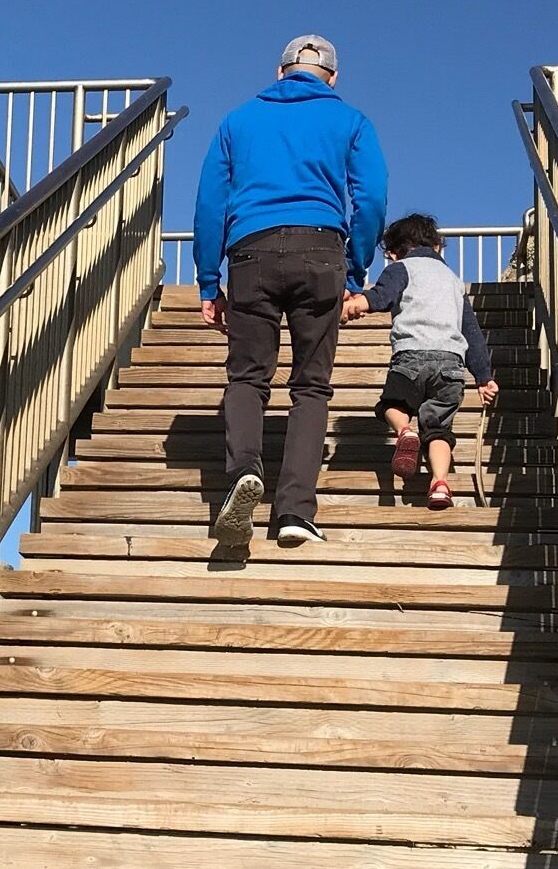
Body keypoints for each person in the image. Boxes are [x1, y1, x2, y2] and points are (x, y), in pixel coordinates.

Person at [192, 34, 387, 548]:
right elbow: (371, 199)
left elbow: (210, 202)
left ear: (280, 72)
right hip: (321, 249)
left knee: (248, 377)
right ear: (333, 78)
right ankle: (295, 511)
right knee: (310, 385)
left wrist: (209, 281)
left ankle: (242, 475)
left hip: (250, 253)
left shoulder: (237, 120)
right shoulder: (351, 121)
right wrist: (355, 271)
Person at [344, 212, 500, 508]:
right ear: (438, 246)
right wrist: (483, 377)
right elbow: (471, 331)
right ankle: (440, 484)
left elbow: (380, 297)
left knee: (392, 405)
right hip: (451, 363)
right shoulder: (453, 281)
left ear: (393, 252)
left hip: (411, 356)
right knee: (440, 429)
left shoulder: (401, 268)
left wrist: (354, 304)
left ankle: (405, 431)